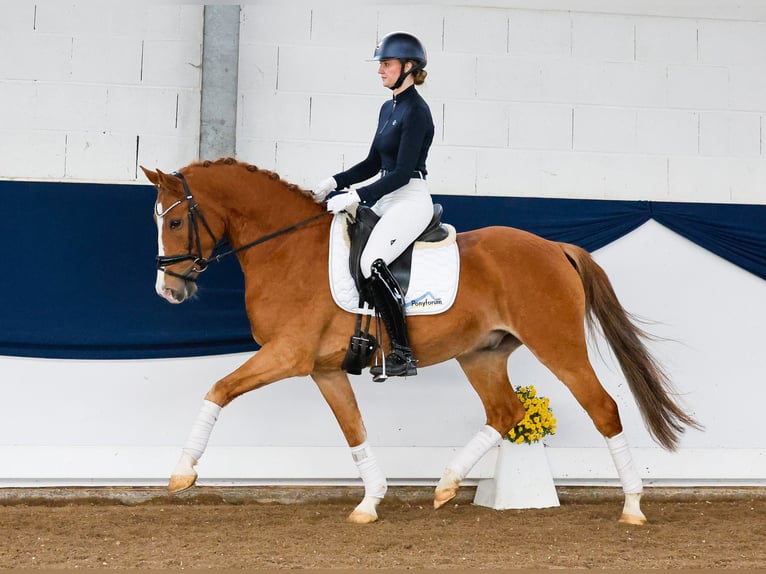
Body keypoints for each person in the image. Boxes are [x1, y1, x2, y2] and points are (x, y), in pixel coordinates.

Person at [313, 31, 435, 380]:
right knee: (344, 247)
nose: (380, 70)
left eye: (387, 64)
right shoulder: (388, 107)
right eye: (381, 64)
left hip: (409, 198)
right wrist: (333, 183)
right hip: (386, 196)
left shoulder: (417, 112)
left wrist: (357, 196)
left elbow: (399, 174)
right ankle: (362, 337)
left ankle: (402, 352)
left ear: (409, 67)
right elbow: (371, 163)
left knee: (370, 260)